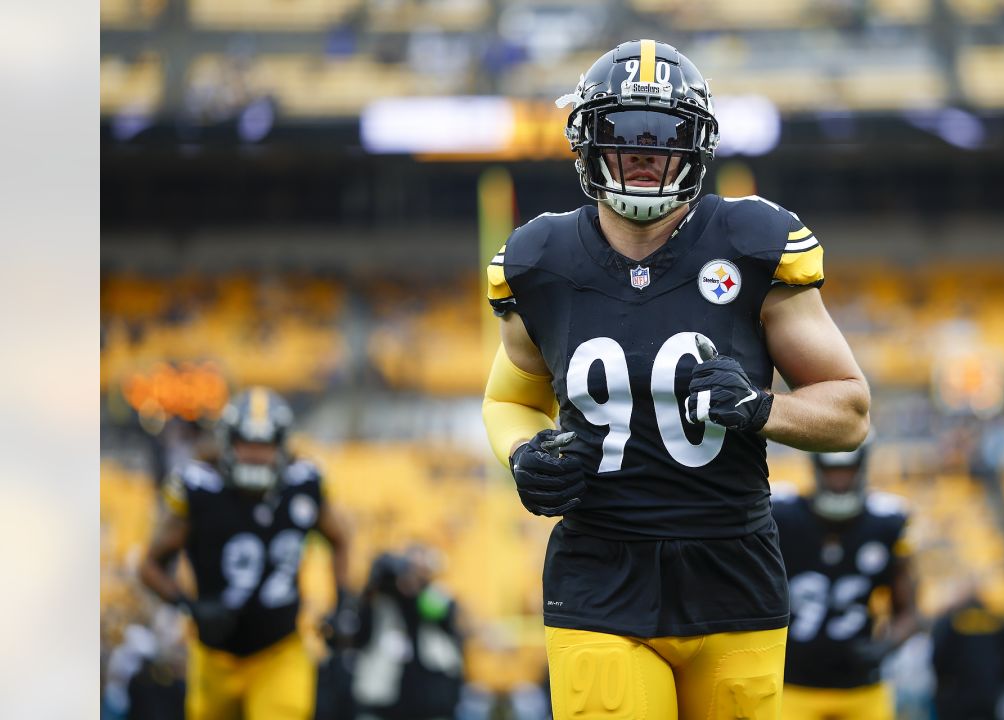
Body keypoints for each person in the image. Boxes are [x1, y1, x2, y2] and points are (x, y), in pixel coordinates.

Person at [481, 38, 872, 719]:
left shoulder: (752, 246)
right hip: (599, 571)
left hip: (732, 570)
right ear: (584, 141)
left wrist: (759, 408)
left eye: (663, 135)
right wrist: (523, 453)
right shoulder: (542, 260)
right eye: (622, 132)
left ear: (697, 145)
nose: (641, 151)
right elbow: (511, 398)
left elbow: (850, 412)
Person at [139, 387, 354, 720]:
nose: (255, 454)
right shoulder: (199, 489)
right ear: (227, 444)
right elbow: (150, 566)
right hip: (215, 657)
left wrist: (343, 602)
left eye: (264, 445)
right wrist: (190, 606)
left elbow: (341, 539)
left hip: (280, 650)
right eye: (246, 444)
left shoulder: (305, 484)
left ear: (281, 446)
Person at [771, 436, 921, 719]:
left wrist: (885, 646)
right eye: (831, 470)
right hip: (792, 684)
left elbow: (909, 612)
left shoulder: (886, 523)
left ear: (861, 468)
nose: (839, 479)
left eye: (847, 470)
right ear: (816, 468)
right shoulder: (783, 516)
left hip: (861, 687)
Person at [347, 545, 465, 720]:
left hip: (430, 700)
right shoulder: (381, 602)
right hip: (387, 701)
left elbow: (442, 612)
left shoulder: (434, 594)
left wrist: (417, 585)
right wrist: (377, 583)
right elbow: (359, 632)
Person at [931, 590, 1004, 720]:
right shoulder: (997, 621)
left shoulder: (950, 622)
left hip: (957, 701)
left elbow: (937, 659)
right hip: (991, 697)